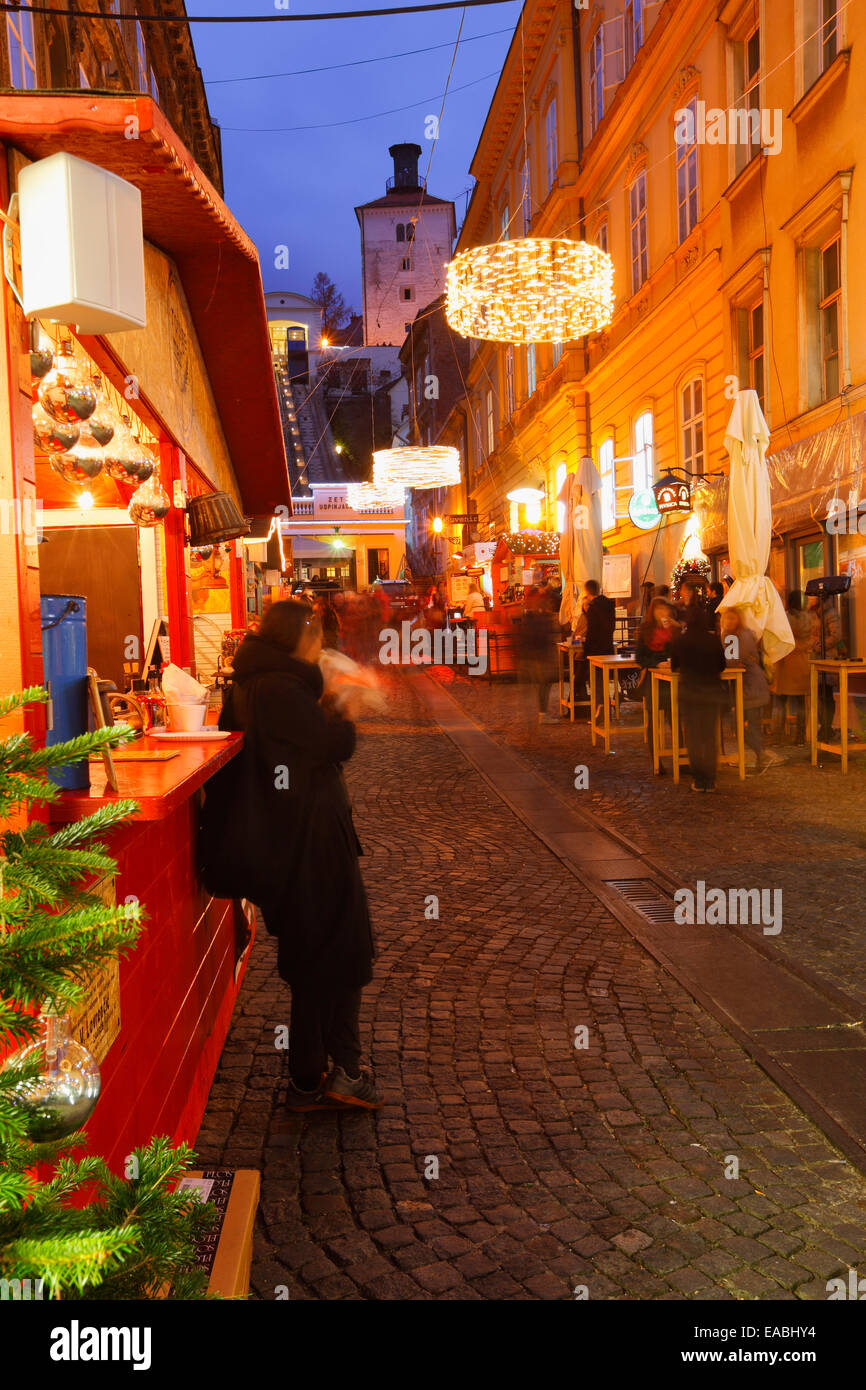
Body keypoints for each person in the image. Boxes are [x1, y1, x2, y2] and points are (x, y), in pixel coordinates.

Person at [208, 600, 381, 1111]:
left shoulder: (253, 683)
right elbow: (331, 745)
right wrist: (343, 705)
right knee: (344, 953)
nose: (320, 643)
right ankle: (345, 1070)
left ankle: (308, 1075)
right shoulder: (281, 689)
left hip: (288, 842)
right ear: (294, 639)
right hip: (312, 843)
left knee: (310, 958)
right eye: (314, 635)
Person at [671, 605, 726, 792]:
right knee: (709, 736)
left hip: (690, 693)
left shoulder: (681, 640)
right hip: (711, 692)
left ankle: (699, 778)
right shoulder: (714, 640)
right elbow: (721, 665)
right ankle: (710, 779)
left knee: (693, 737)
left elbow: (674, 666)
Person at [720, 608, 781, 773]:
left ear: (738, 620)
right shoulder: (744, 633)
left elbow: (732, 660)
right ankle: (759, 754)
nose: (729, 622)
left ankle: (759, 753)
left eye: (732, 619)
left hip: (749, 686)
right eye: (727, 619)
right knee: (751, 722)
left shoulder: (733, 635)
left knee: (738, 723)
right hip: (754, 684)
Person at [634, 598, 679, 772]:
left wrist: (675, 631)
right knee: (654, 721)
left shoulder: (674, 629)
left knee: (676, 718)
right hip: (653, 680)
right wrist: (657, 663)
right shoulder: (646, 630)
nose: (662, 613)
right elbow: (640, 657)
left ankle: (680, 758)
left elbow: (680, 651)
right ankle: (656, 760)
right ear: (652, 612)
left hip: (672, 680)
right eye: (659, 610)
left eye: (665, 610)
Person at [772, 591, 811, 744]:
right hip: (801, 663)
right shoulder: (808, 618)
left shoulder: (784, 618)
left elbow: (778, 637)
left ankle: (777, 736)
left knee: (780, 702)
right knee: (800, 702)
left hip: (785, 661)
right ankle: (800, 736)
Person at [518, 583, 559, 722]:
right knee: (544, 684)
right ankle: (542, 714)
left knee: (542, 685)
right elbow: (543, 636)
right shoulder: (541, 617)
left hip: (532, 656)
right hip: (540, 656)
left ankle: (537, 714)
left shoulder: (529, 616)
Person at [582, 579, 616, 656]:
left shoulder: (593, 607)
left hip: (595, 649)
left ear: (587, 592)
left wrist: (586, 648)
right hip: (608, 646)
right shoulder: (609, 604)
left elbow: (591, 630)